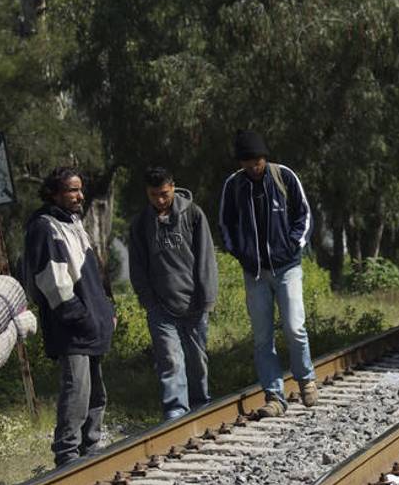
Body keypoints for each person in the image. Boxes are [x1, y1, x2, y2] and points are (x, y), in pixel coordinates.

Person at [218, 130, 318, 417]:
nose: (253, 168)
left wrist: (292, 245)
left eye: (257, 162)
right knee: (262, 337)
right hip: (255, 273)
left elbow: (304, 215)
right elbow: (226, 224)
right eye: (247, 163)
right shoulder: (234, 186)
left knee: (294, 327)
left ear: (265, 158)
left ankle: (306, 380)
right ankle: (274, 396)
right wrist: (241, 253)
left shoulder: (283, 177)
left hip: (288, 268)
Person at [23, 167, 116, 466]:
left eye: (80, 189)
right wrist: (81, 316)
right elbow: (53, 282)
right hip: (71, 328)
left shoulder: (73, 222)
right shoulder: (45, 227)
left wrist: (106, 310)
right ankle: (67, 456)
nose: (79, 196)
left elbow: (94, 273)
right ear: (54, 193)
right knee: (77, 391)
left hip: (91, 325)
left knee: (96, 392)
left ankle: (90, 451)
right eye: (71, 190)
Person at [129, 167, 219, 420]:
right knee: (170, 360)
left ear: (173, 187)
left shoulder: (193, 214)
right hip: (160, 308)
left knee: (197, 361)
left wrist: (207, 298)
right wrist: (148, 302)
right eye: (154, 195)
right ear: (147, 193)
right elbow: (137, 267)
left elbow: (206, 259)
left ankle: (201, 405)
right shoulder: (140, 225)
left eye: (165, 194)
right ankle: (176, 412)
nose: (160, 200)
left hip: (195, 303)